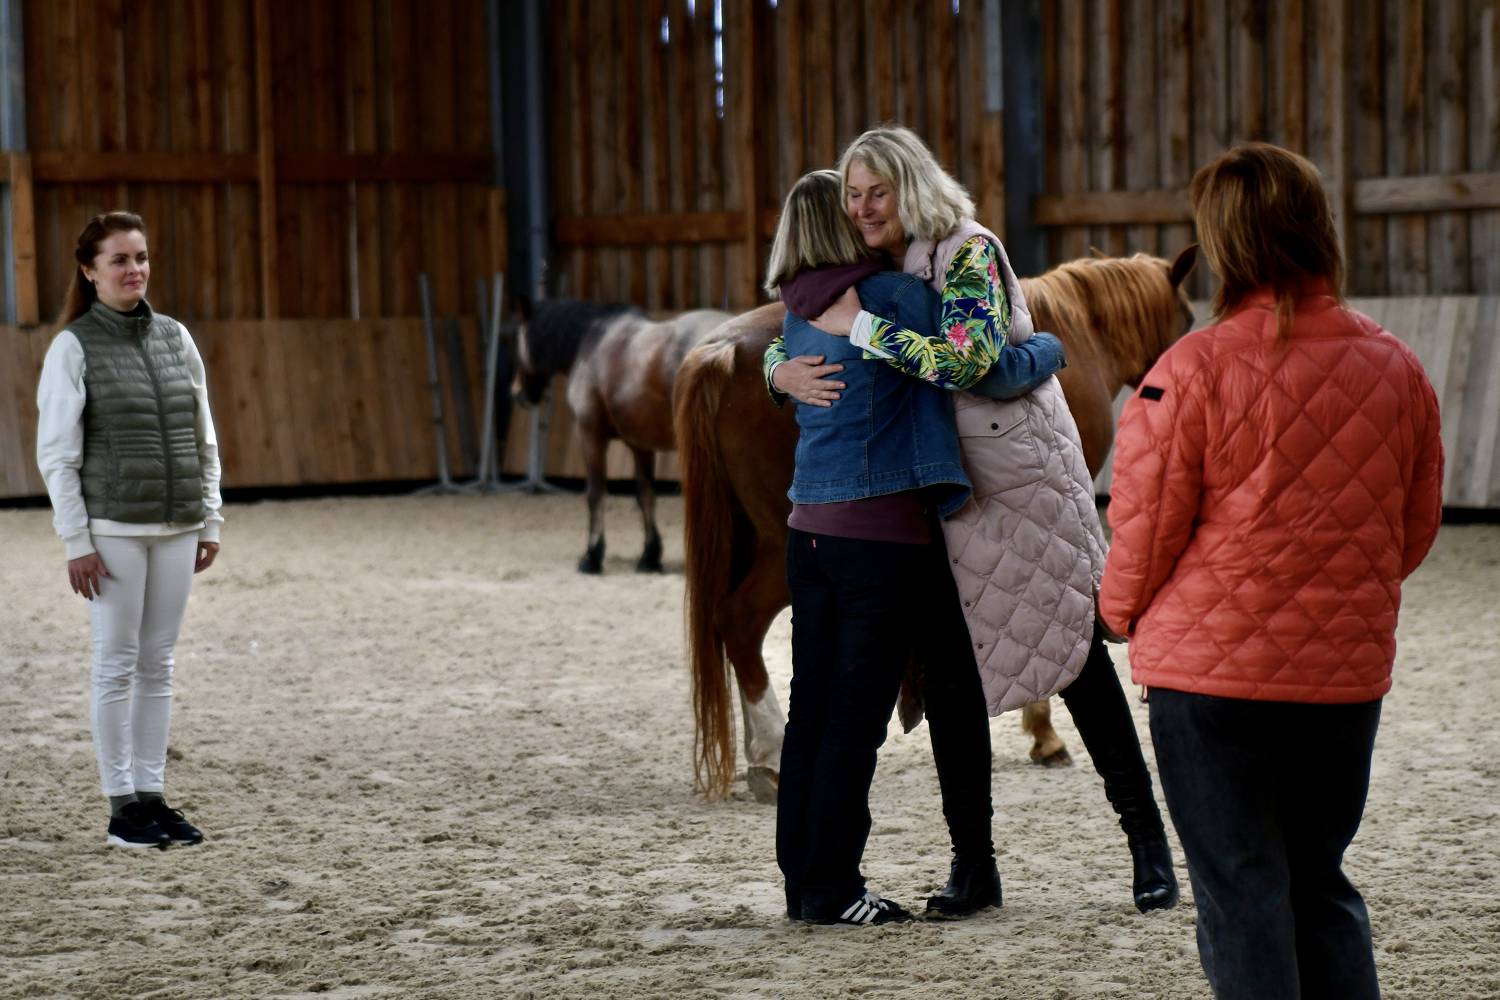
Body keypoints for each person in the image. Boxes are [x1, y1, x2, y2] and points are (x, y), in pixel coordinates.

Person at [768, 126, 1178, 917]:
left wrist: (869, 331)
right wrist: (776, 373)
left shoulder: (969, 252)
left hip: (1015, 487)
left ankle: (1148, 847)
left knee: (1075, 658)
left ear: (911, 185)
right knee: (953, 683)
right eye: (852, 195)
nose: (861, 209)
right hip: (939, 499)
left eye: (877, 192)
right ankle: (974, 867)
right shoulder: (880, 265)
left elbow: (965, 361)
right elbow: (799, 314)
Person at [1099, 142, 1444, 999]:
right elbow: (1414, 529)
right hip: (1341, 680)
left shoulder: (1187, 371)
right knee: (1319, 883)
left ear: (1225, 245)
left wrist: (1118, 616)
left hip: (1210, 687)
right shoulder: (1399, 368)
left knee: (1241, 894)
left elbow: (1141, 536)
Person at [766, 170, 1066, 925]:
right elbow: (980, 366)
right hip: (878, 536)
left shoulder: (798, 311)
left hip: (809, 530)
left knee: (811, 713)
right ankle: (836, 889)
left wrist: (774, 369)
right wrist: (1051, 349)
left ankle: (803, 882)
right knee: (856, 722)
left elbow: (779, 354)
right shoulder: (895, 300)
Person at [36, 212, 224, 850]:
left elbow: (203, 435)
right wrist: (76, 542)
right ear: (90, 271)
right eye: (118, 259)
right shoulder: (73, 346)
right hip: (112, 529)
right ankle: (121, 807)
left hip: (176, 525)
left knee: (158, 663)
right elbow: (56, 455)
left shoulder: (176, 336)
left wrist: (210, 514)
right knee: (116, 663)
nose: (133, 269)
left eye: (140, 257)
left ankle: (152, 794)